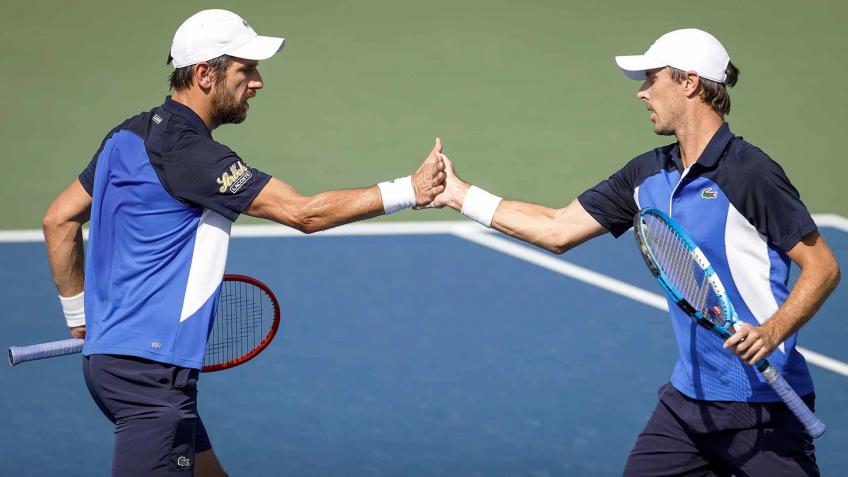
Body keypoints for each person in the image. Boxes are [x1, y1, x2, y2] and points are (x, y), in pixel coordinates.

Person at [41, 9, 445, 477]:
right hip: (150, 378)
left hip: (118, 366)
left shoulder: (127, 135)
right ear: (204, 74)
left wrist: (79, 316)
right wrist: (409, 191)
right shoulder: (193, 156)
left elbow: (58, 219)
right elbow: (304, 213)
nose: (258, 82)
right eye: (246, 69)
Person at [430, 28, 840, 476]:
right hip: (688, 406)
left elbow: (822, 266)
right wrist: (458, 194)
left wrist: (771, 331)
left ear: (690, 83)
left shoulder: (750, 173)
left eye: (651, 79)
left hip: (763, 410)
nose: (641, 93)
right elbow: (556, 229)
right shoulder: (647, 174)